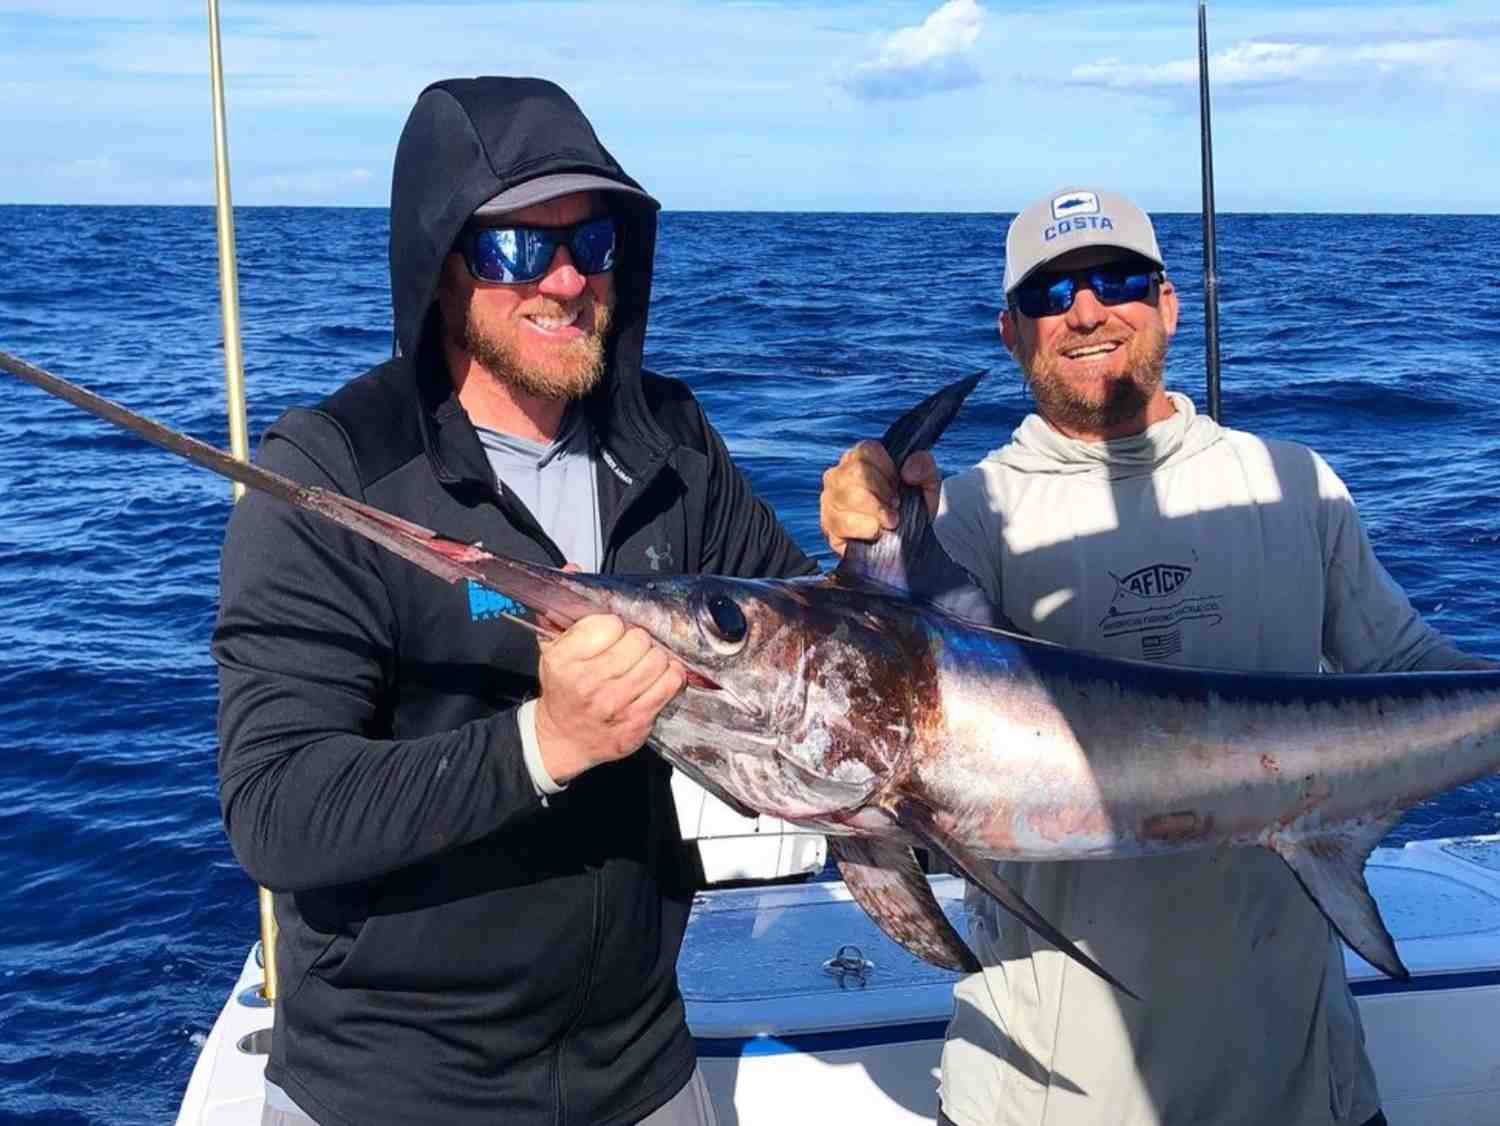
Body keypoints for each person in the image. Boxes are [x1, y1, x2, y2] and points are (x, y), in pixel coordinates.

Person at [818, 186, 1493, 1126]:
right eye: (1053, 295)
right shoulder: (962, 519)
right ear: (1012, 332)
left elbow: (1414, 667)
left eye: (1118, 280)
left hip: (1304, 1085)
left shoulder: (1292, 484)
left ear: (1168, 304)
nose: (1088, 311)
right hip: (1050, 1100)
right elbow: (860, 703)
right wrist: (865, 542)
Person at [214, 77, 814, 1126]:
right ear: (442, 267)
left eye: (593, 240)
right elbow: (276, 807)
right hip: (393, 1086)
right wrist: (543, 743)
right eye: (515, 249)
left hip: (638, 1062)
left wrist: (878, 552)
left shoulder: (667, 436)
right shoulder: (331, 472)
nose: (566, 279)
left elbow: (795, 630)